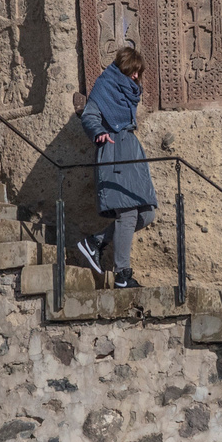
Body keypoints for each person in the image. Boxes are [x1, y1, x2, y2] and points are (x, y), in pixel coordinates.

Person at [75, 45, 156, 288]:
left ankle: (95, 242)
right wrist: (98, 132)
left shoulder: (130, 91)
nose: (135, 77)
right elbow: (89, 116)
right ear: (124, 68)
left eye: (138, 73)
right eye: (133, 71)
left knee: (147, 214)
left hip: (131, 152)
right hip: (113, 151)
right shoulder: (105, 85)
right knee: (128, 211)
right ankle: (122, 275)